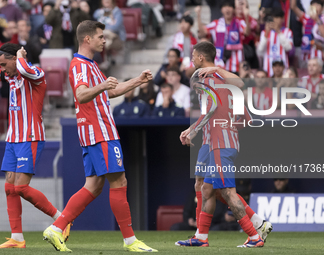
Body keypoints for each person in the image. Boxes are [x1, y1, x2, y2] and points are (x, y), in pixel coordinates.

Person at [42, 20, 157, 252]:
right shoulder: (80, 66)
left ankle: (56, 228)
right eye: (101, 36)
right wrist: (102, 86)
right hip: (100, 131)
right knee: (120, 182)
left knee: (93, 186)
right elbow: (83, 94)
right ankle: (130, 241)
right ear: (87, 39)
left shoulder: (89, 64)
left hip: (95, 132)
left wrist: (138, 80)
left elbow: (111, 90)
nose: (105, 40)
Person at [176, 41, 272, 248]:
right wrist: (228, 126)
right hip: (221, 141)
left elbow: (210, 109)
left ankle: (254, 235)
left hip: (218, 143)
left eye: (193, 56)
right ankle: (201, 237)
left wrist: (192, 130)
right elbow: (247, 119)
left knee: (227, 191)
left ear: (201, 57)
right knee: (207, 188)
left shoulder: (208, 79)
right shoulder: (225, 81)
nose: (191, 59)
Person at [0, 43, 70, 249]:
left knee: (21, 187)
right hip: (13, 139)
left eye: (5, 64)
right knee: (10, 188)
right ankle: (17, 238)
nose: (3, 69)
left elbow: (24, 69)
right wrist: (12, 61)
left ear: (16, 59)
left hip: (30, 137)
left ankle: (63, 219)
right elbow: (14, 69)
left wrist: (21, 56)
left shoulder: (36, 74)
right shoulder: (11, 76)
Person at [196, 0, 250, 73]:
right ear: (221, 9)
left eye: (229, 6)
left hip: (236, 65)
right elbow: (202, 33)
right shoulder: (216, 23)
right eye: (224, 6)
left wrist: (246, 16)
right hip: (219, 64)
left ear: (233, 9)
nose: (227, 9)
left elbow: (247, 32)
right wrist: (198, 16)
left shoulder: (239, 22)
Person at [257, 8, 293, 77]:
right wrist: (266, 34)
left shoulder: (287, 32)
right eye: (274, 18)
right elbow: (259, 51)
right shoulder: (264, 32)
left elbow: (288, 48)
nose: (275, 20)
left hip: (283, 70)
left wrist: (278, 31)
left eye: (277, 17)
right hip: (267, 70)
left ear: (282, 19)